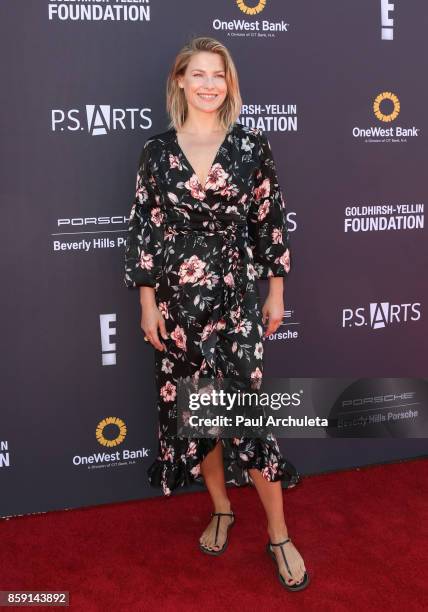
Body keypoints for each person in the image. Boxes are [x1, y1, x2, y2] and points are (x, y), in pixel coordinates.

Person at [124, 36, 310, 592]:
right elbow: (145, 233)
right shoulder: (156, 152)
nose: (208, 84)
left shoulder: (252, 146)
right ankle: (223, 508)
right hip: (179, 301)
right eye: (198, 74)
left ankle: (278, 533)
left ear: (229, 85)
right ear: (180, 80)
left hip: (235, 294)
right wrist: (147, 302)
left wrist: (275, 292)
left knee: (246, 415)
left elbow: (269, 220)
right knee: (198, 412)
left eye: (219, 75)